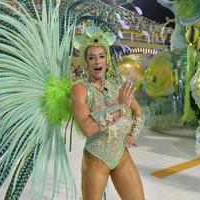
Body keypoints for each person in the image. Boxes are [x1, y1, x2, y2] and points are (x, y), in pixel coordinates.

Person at [71, 26, 145, 200]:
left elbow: (137, 110)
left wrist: (134, 133)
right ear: (85, 62)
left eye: (101, 56)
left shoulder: (116, 86)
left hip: (121, 154)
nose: (98, 62)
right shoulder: (80, 89)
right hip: (97, 158)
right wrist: (119, 108)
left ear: (107, 59)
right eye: (92, 57)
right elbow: (88, 129)